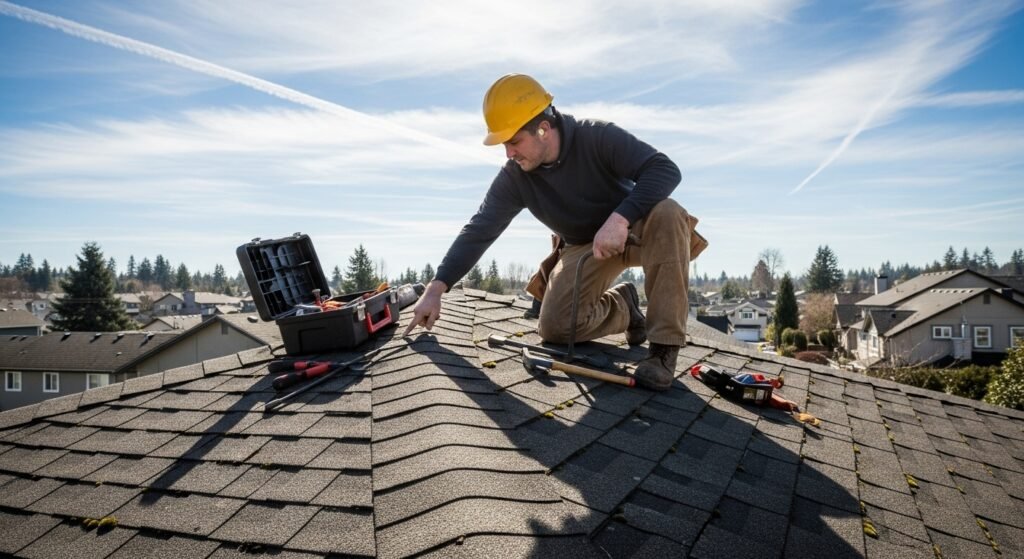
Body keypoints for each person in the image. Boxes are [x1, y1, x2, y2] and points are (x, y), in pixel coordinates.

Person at [403, 73, 706, 391]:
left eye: (514, 141)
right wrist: (436, 288)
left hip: (639, 230)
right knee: (556, 328)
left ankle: (663, 350)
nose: (509, 153)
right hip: (584, 246)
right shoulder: (516, 177)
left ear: (543, 129)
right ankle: (625, 308)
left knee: (668, 211)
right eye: (504, 145)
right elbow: (479, 229)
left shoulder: (597, 137)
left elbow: (665, 169)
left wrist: (620, 218)